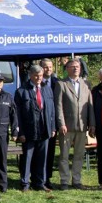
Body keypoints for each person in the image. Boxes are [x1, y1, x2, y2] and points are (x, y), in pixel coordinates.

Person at [54, 58, 95, 190]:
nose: (75, 68)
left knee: (79, 155)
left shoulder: (86, 84)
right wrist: (61, 123)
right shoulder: (61, 84)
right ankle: (64, 181)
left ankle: (76, 180)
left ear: (81, 68)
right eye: (72, 67)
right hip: (67, 126)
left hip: (82, 126)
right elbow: (58, 106)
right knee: (64, 155)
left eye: (77, 66)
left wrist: (92, 124)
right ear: (67, 69)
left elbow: (90, 106)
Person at [14, 65, 56, 192]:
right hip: (28, 130)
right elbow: (17, 114)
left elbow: (52, 110)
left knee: (42, 158)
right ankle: (25, 183)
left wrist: (53, 127)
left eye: (41, 76)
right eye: (36, 75)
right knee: (27, 158)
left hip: (44, 129)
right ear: (31, 75)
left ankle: (39, 183)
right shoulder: (21, 91)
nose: (39, 78)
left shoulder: (47, 89)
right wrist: (20, 131)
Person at [0, 71, 18, 193]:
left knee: (2, 160)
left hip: (2, 132)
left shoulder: (8, 96)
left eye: (1, 81)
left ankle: (3, 185)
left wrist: (15, 132)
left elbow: (14, 115)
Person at [40, 58, 59, 189]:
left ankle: (48, 178)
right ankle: (38, 177)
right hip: (39, 123)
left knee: (50, 152)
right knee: (40, 152)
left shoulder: (58, 83)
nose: (49, 69)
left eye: (51, 67)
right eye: (46, 67)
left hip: (53, 123)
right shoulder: (36, 82)